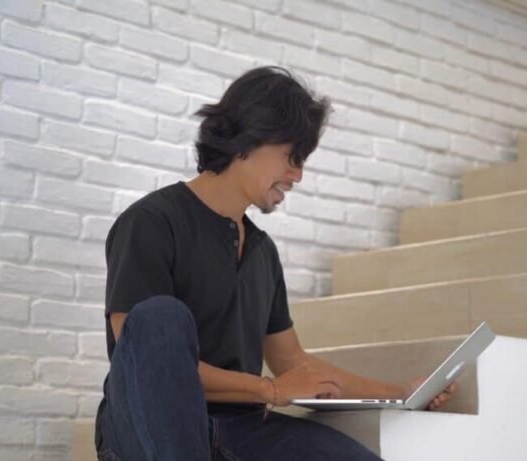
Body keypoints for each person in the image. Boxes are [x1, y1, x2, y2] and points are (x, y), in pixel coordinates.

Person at [94, 66, 458, 461]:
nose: (297, 175)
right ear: (248, 140)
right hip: (148, 429)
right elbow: (150, 365)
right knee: (161, 317)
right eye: (292, 157)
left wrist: (403, 392)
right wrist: (269, 390)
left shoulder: (262, 252)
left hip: (239, 428)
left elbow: (293, 363)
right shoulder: (150, 222)